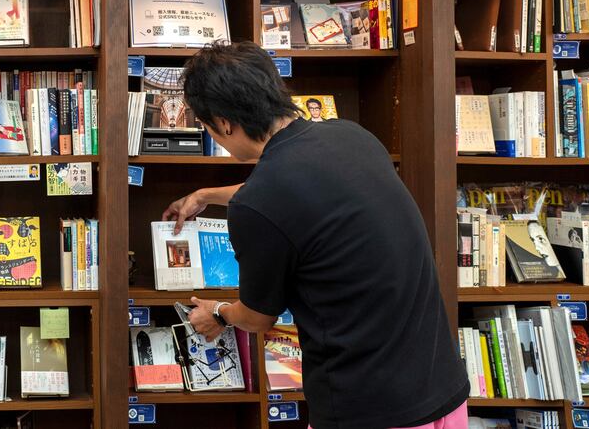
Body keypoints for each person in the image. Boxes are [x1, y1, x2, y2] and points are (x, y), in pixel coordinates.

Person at [162, 41, 469, 429]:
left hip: (368, 409)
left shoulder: (259, 203)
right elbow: (297, 195)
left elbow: (257, 318)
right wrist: (205, 196)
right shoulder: (351, 137)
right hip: (444, 391)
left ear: (223, 123)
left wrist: (218, 313)